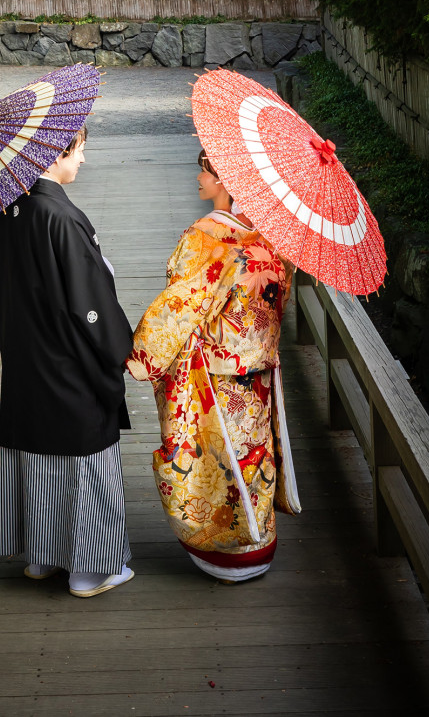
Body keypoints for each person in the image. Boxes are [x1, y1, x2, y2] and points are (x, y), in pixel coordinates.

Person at [126, 148, 300, 582]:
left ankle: (226, 551)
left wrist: (142, 354)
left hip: (218, 379)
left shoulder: (206, 238)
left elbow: (180, 306)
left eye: (203, 171)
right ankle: (258, 548)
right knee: (254, 456)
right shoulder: (273, 238)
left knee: (218, 462)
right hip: (259, 375)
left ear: (222, 179)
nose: (198, 179)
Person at [0, 123, 135, 598]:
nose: (83, 160)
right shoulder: (61, 219)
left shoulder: (11, 209)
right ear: (55, 153)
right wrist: (119, 350)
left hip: (28, 357)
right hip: (69, 363)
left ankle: (43, 555)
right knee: (82, 455)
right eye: (80, 151)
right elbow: (90, 306)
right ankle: (91, 570)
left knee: (38, 453)